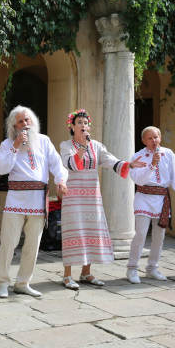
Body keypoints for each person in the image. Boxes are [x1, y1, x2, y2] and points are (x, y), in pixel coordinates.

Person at [59, 109, 145, 290]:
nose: (83, 126)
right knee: (74, 232)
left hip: (91, 195)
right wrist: (82, 147)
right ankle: (67, 275)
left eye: (85, 122)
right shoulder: (66, 145)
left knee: (91, 231)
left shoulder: (96, 145)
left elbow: (109, 160)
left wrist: (128, 164)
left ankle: (86, 272)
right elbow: (71, 165)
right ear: (72, 126)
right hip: (74, 196)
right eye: (79, 123)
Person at [0, 105, 68, 298]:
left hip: (37, 200)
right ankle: (2, 282)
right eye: (20, 121)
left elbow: (57, 164)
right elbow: (1, 168)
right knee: (8, 242)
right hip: (16, 199)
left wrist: (61, 181)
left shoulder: (44, 141)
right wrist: (16, 146)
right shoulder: (7, 144)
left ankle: (23, 282)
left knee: (33, 244)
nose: (25, 124)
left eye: (28, 120)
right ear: (14, 126)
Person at [126, 126, 175, 284]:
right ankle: (132, 268)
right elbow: (138, 179)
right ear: (143, 140)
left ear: (160, 138)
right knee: (141, 233)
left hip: (162, 199)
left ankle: (152, 268)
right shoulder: (138, 156)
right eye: (150, 138)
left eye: (156, 137)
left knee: (159, 236)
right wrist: (152, 165)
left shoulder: (168, 154)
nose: (153, 140)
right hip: (144, 197)